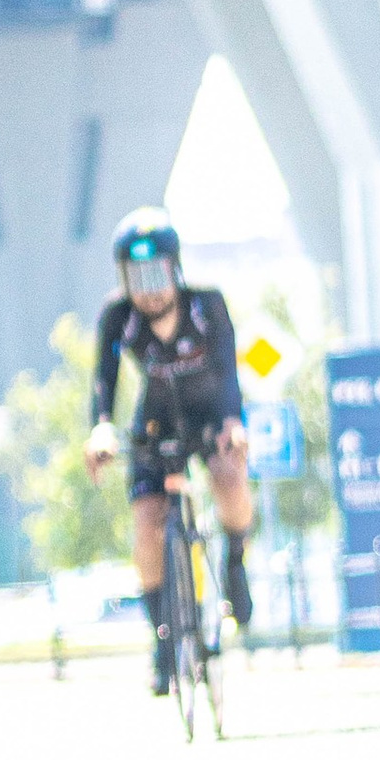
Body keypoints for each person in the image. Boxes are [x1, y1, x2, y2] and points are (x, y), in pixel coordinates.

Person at [83, 207, 254, 693]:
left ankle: (236, 565)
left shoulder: (207, 306)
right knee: (147, 526)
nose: (149, 287)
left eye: (157, 273)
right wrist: (100, 429)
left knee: (228, 474)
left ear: (175, 269)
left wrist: (231, 424)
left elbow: (228, 370)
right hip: (154, 425)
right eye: (136, 276)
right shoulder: (118, 317)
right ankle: (163, 640)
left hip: (208, 417)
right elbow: (105, 379)